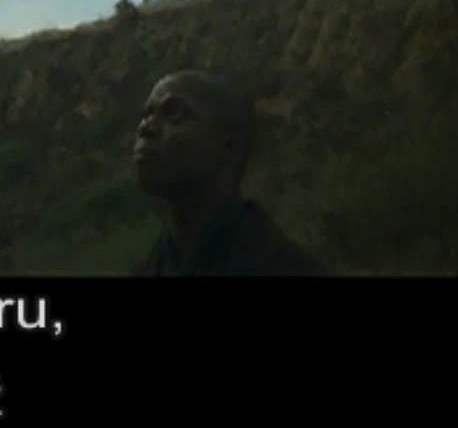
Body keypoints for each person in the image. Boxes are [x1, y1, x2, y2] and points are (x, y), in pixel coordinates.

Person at [131, 70, 325, 276]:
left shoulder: (280, 265)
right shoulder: (157, 264)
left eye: (174, 114)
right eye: (147, 115)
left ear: (229, 147)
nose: (145, 128)